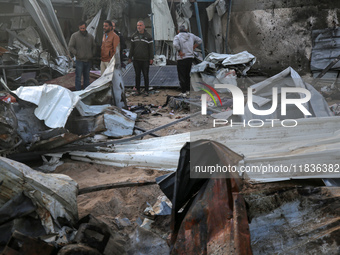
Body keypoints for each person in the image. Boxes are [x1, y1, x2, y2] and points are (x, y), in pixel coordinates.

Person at [173, 25, 202, 97]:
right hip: (190, 58)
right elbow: (200, 40)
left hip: (182, 58)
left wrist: (179, 51)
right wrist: (193, 47)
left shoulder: (177, 36)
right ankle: (188, 90)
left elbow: (175, 44)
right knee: (187, 75)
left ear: (178, 31)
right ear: (186, 30)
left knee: (181, 75)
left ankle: (183, 92)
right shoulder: (191, 35)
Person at [128, 20, 154, 96]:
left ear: (143, 26)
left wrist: (151, 58)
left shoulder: (148, 36)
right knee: (137, 75)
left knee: (145, 75)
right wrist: (130, 57)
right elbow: (131, 48)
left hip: (145, 59)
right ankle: (138, 90)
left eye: (140, 25)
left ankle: (146, 90)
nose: (139, 27)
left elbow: (151, 48)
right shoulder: (134, 36)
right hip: (136, 59)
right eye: (138, 25)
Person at [68, 21, 96, 91]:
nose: (82, 30)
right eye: (81, 28)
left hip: (88, 60)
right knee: (78, 78)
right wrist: (77, 53)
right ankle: (78, 92)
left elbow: (94, 46)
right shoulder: (74, 36)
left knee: (87, 77)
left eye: (83, 28)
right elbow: (70, 47)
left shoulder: (90, 36)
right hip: (79, 60)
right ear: (79, 27)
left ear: (86, 27)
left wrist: (92, 54)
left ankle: (86, 91)